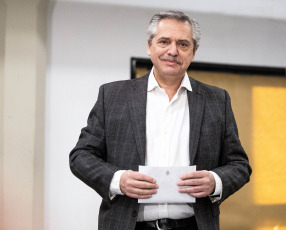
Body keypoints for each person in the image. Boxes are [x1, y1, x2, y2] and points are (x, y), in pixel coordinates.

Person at [69, 10, 252, 230]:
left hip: (194, 225)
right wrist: (118, 180)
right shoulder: (113, 96)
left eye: (183, 44)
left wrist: (216, 181)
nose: (173, 51)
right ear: (149, 46)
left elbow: (240, 165)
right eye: (164, 41)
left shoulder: (217, 100)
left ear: (193, 52)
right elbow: (81, 156)